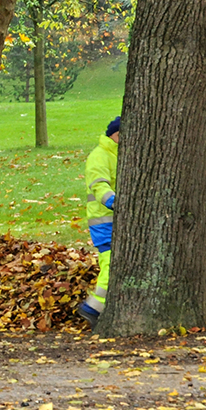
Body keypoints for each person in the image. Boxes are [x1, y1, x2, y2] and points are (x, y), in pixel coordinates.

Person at [77, 115, 120, 327]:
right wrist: (113, 201)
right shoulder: (100, 156)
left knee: (114, 262)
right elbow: (99, 184)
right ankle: (93, 308)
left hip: (114, 220)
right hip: (103, 223)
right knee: (110, 264)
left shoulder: (117, 154)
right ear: (116, 135)